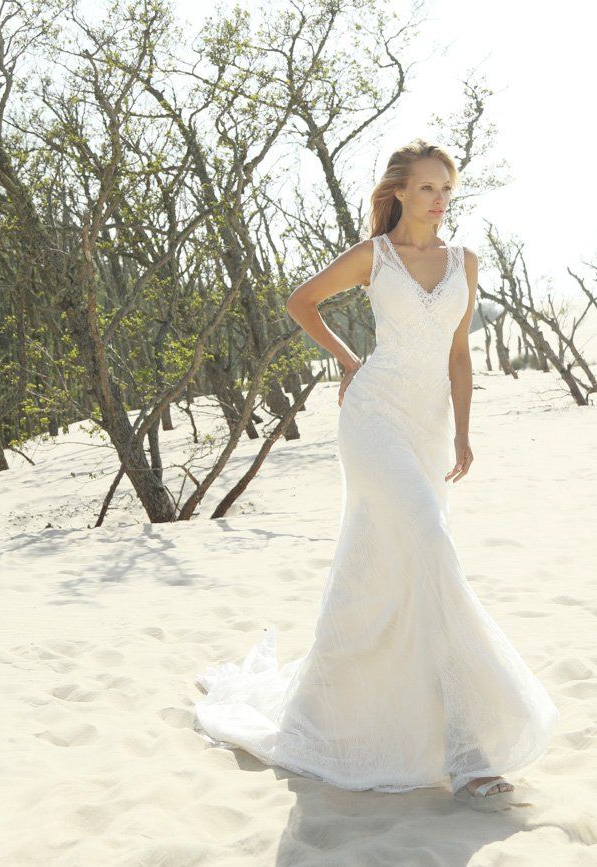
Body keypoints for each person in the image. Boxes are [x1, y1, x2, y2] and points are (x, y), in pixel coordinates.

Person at [193, 138, 558, 813]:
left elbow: (458, 354)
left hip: (427, 427)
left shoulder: (464, 262)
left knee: (392, 567)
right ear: (397, 192)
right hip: (373, 419)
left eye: (446, 187)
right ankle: (471, 749)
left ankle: (354, 712)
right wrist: (349, 359)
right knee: (429, 541)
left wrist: (465, 431)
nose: (439, 200)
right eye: (426, 188)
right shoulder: (376, 257)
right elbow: (302, 303)